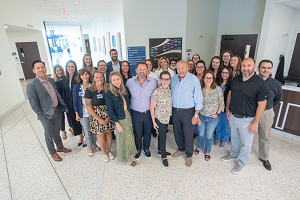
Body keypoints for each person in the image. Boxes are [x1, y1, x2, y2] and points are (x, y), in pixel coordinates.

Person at [221, 58, 268, 174]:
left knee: (246, 143)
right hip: (233, 116)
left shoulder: (259, 83)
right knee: (235, 138)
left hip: (247, 119)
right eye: (244, 65)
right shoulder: (236, 79)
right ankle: (233, 154)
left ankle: (241, 162)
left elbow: (262, 105)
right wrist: (227, 109)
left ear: (254, 67)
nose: (246, 68)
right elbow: (230, 94)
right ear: (240, 66)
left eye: (248, 65)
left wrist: (255, 122)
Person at [27, 60, 71, 162]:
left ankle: (60, 147)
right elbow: (33, 103)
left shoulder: (51, 80)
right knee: (49, 134)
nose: (41, 69)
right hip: (46, 114)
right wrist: (41, 115)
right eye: (38, 68)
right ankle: (52, 152)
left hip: (57, 110)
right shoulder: (32, 85)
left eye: (43, 67)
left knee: (57, 131)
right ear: (34, 70)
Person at [171, 60, 202, 167]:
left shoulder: (193, 79)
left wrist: (196, 115)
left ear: (187, 68)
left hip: (189, 112)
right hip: (175, 111)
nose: (180, 70)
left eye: (182, 68)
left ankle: (189, 155)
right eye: (178, 68)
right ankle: (181, 149)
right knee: (177, 132)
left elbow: (198, 98)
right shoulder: (173, 79)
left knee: (188, 134)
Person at [105, 71, 138, 167]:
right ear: (111, 81)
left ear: (121, 79)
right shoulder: (109, 94)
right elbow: (110, 111)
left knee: (129, 137)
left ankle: (128, 156)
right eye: (113, 80)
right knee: (122, 139)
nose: (116, 81)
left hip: (127, 116)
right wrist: (116, 124)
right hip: (119, 119)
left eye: (118, 79)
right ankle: (128, 159)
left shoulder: (125, 89)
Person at [126, 62, 157, 159]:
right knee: (138, 133)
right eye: (140, 69)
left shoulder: (154, 82)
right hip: (135, 113)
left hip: (148, 113)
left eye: (144, 69)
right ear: (136, 70)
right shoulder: (129, 82)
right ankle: (138, 148)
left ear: (147, 70)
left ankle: (146, 148)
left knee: (148, 132)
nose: (142, 71)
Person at [257, 59, 282, 170]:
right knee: (246, 134)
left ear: (271, 69)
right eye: (263, 67)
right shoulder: (252, 80)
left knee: (265, 136)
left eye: (268, 68)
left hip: (266, 112)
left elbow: (277, 99)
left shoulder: (275, 84)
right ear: (258, 68)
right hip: (251, 111)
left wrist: (268, 108)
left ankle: (264, 157)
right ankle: (243, 154)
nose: (265, 70)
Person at [194, 70, 224, 161]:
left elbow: (221, 103)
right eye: (207, 77)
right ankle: (199, 146)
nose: (208, 79)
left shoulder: (217, 89)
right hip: (201, 116)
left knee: (209, 135)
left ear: (213, 79)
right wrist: (197, 116)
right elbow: (196, 103)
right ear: (203, 79)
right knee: (201, 133)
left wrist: (217, 114)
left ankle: (207, 151)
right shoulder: (199, 89)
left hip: (212, 118)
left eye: (210, 78)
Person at [85, 70, 115, 162]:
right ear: (93, 78)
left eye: (101, 76)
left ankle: (109, 151)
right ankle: (104, 153)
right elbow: (89, 106)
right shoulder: (89, 90)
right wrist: (99, 119)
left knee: (109, 133)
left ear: (104, 77)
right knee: (101, 135)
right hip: (96, 115)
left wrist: (109, 116)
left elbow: (113, 102)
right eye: (97, 77)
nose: (99, 79)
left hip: (108, 113)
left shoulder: (109, 88)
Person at [73, 69, 98, 157]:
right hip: (83, 113)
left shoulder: (93, 86)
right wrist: (76, 113)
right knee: (87, 131)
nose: (85, 76)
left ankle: (94, 144)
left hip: (93, 112)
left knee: (94, 130)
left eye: (86, 74)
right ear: (80, 77)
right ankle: (90, 148)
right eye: (82, 75)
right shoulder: (77, 87)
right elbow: (75, 101)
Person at [150, 71, 172, 168]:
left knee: (163, 135)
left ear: (170, 80)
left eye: (167, 79)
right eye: (163, 79)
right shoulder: (156, 92)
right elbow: (152, 108)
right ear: (160, 80)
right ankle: (163, 156)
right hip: (159, 118)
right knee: (163, 137)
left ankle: (160, 150)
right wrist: (154, 121)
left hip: (167, 118)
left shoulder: (170, 90)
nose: (165, 81)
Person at [62, 60, 84, 146]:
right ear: (66, 68)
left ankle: (86, 137)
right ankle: (81, 136)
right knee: (74, 122)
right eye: (69, 67)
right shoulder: (64, 79)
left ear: (75, 68)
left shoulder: (78, 77)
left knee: (83, 121)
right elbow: (64, 92)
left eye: (72, 67)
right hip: (69, 105)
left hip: (79, 103)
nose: (70, 68)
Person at [53, 64, 73, 140]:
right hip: (59, 101)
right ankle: (63, 131)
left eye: (60, 70)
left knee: (69, 115)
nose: (59, 72)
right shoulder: (53, 81)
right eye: (57, 70)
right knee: (61, 117)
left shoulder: (66, 79)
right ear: (55, 72)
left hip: (67, 100)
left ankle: (71, 127)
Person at [215, 66, 233, 147]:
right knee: (218, 124)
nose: (224, 74)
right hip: (217, 108)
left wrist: (228, 108)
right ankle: (218, 138)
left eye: (226, 72)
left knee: (226, 125)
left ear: (229, 74)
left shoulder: (231, 85)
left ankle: (225, 139)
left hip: (226, 109)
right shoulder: (217, 83)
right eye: (223, 72)